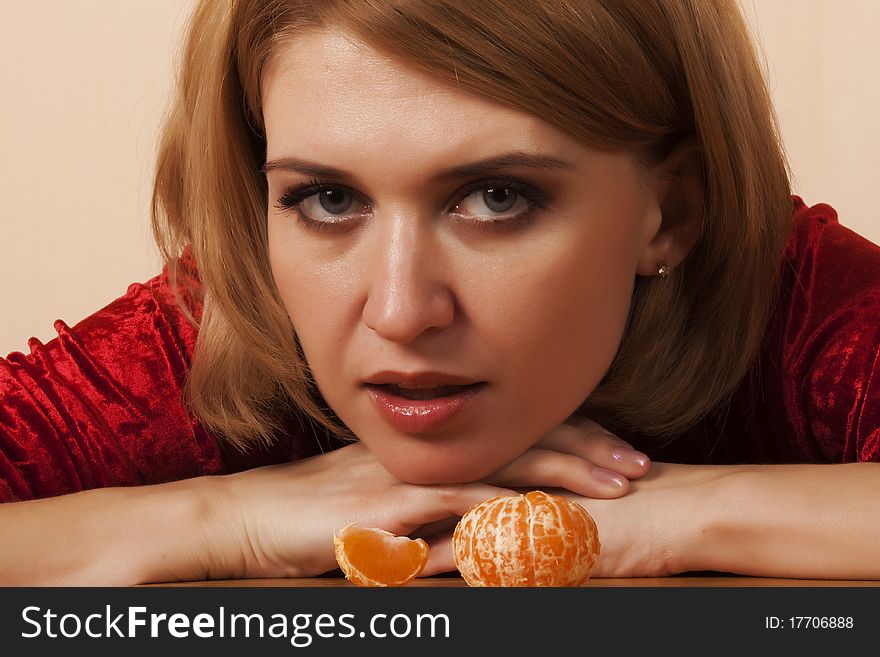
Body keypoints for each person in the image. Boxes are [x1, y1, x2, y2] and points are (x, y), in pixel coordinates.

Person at [1, 0, 878, 585]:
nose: (398, 310)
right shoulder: (230, 318)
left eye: (497, 197)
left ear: (669, 211)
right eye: (329, 199)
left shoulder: (795, 301)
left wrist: (673, 514)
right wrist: (225, 518)